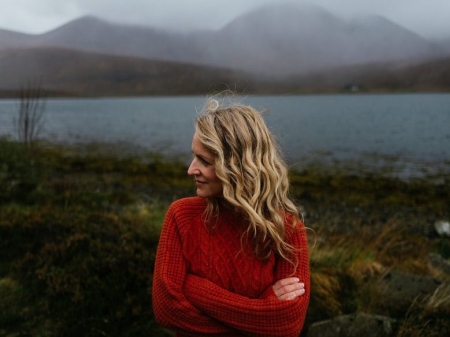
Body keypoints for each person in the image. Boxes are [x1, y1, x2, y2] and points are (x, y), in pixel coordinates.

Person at [152, 96, 310, 337]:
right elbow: (166, 310)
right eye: (194, 157)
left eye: (204, 161)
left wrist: (195, 289)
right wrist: (261, 309)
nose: (190, 169)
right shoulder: (181, 216)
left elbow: (288, 325)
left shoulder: (287, 230)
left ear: (237, 166)